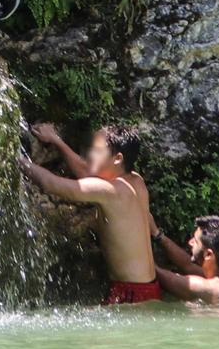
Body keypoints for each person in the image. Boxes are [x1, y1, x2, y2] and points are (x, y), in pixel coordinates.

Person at [19, 122, 159, 304]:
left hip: (130, 294)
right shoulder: (136, 182)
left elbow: (53, 184)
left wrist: (17, 160)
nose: (90, 155)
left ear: (117, 158)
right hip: (150, 288)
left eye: (97, 151)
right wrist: (56, 141)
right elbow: (86, 171)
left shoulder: (110, 191)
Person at [151, 214, 219, 303]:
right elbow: (188, 265)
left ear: (208, 254)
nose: (190, 242)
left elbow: (157, 273)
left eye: (195, 241)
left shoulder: (208, 289)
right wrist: (157, 234)